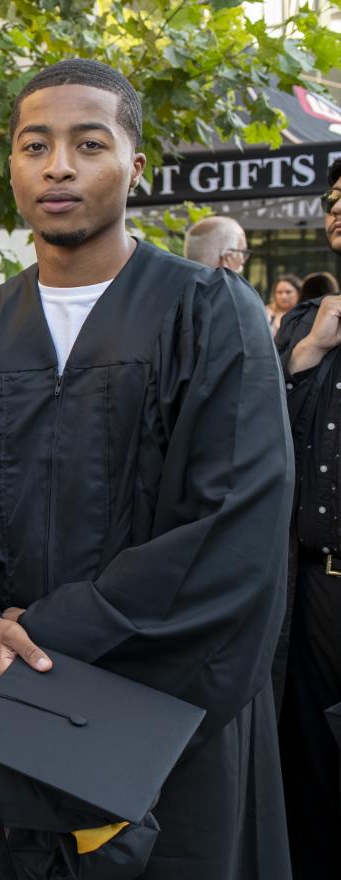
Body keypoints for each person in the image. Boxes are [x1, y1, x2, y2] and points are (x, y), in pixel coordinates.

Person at [0, 59, 292, 879]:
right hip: (8, 698)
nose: (59, 167)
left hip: (162, 709)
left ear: (135, 166)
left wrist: (44, 632)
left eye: (89, 143)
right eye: (34, 144)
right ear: (9, 164)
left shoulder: (209, 313)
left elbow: (234, 516)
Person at [271, 159, 341, 880]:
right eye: (333, 197)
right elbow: (257, 439)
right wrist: (305, 354)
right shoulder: (299, 327)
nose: (338, 206)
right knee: (311, 765)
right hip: (313, 586)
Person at [182, 214, 250, 272]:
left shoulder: (174, 283)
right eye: (242, 252)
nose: (242, 261)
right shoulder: (236, 287)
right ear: (227, 258)